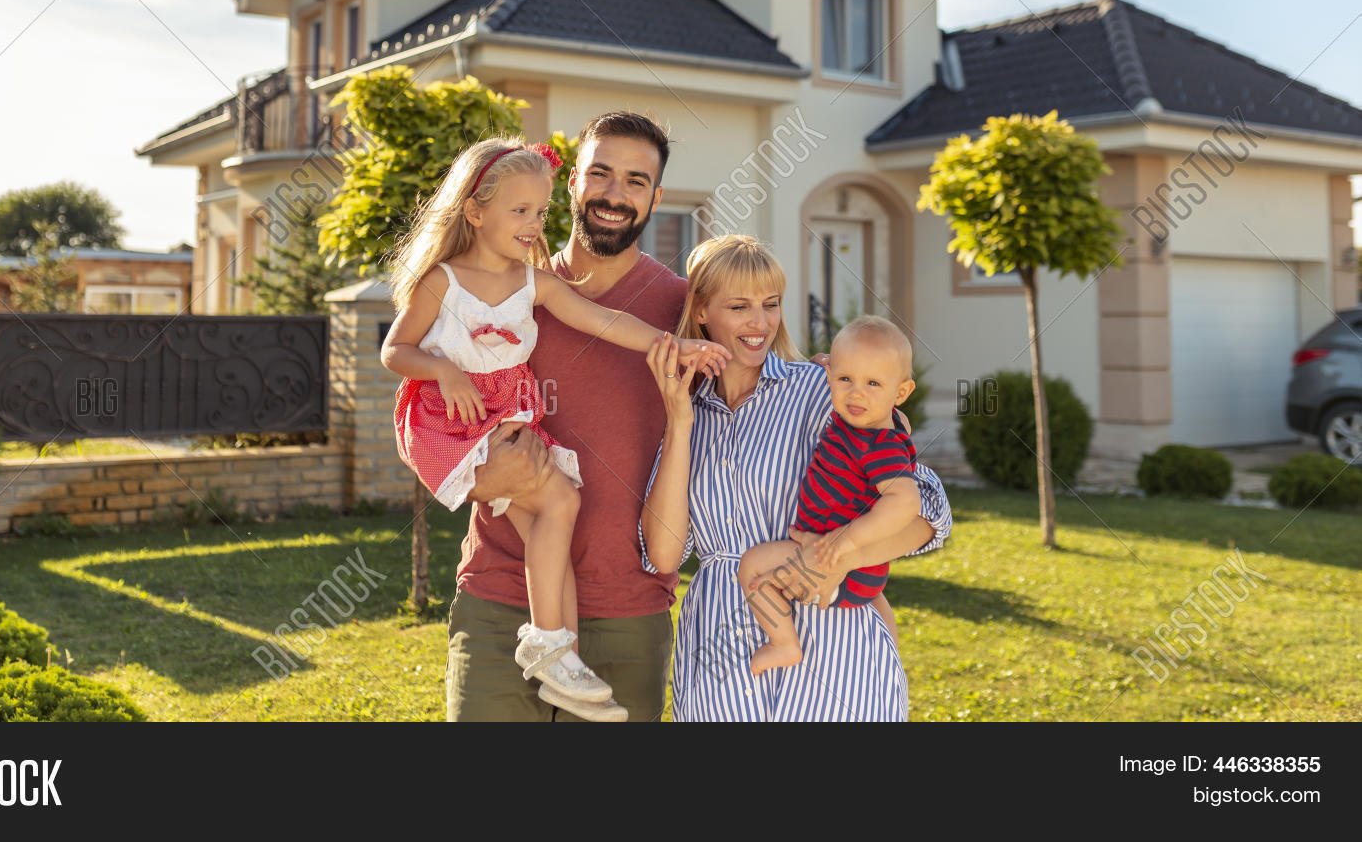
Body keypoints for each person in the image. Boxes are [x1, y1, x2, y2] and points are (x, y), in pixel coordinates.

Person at [381, 136, 727, 715]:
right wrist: (475, 461)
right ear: (573, 183)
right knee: (560, 500)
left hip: (628, 608)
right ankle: (551, 644)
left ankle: (553, 648)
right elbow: (405, 371)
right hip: (496, 595)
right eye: (600, 173)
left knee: (559, 502)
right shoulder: (465, 282)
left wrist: (829, 379)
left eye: (636, 180)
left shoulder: (676, 304)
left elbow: (747, 359)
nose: (615, 193)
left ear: (657, 196)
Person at [640, 235, 953, 721]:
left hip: (832, 642)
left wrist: (842, 556)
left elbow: (930, 511)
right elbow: (663, 555)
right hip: (720, 653)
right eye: (739, 306)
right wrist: (679, 421)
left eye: (771, 304)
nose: (760, 323)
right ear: (701, 311)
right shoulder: (685, 415)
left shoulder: (823, 391)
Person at [737, 315, 921, 674]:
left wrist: (846, 542)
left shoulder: (879, 444)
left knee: (753, 567)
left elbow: (906, 501)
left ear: (900, 393)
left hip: (832, 557)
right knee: (875, 599)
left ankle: (783, 643)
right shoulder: (859, 423)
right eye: (845, 379)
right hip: (861, 573)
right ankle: (891, 654)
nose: (856, 393)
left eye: (872, 383)